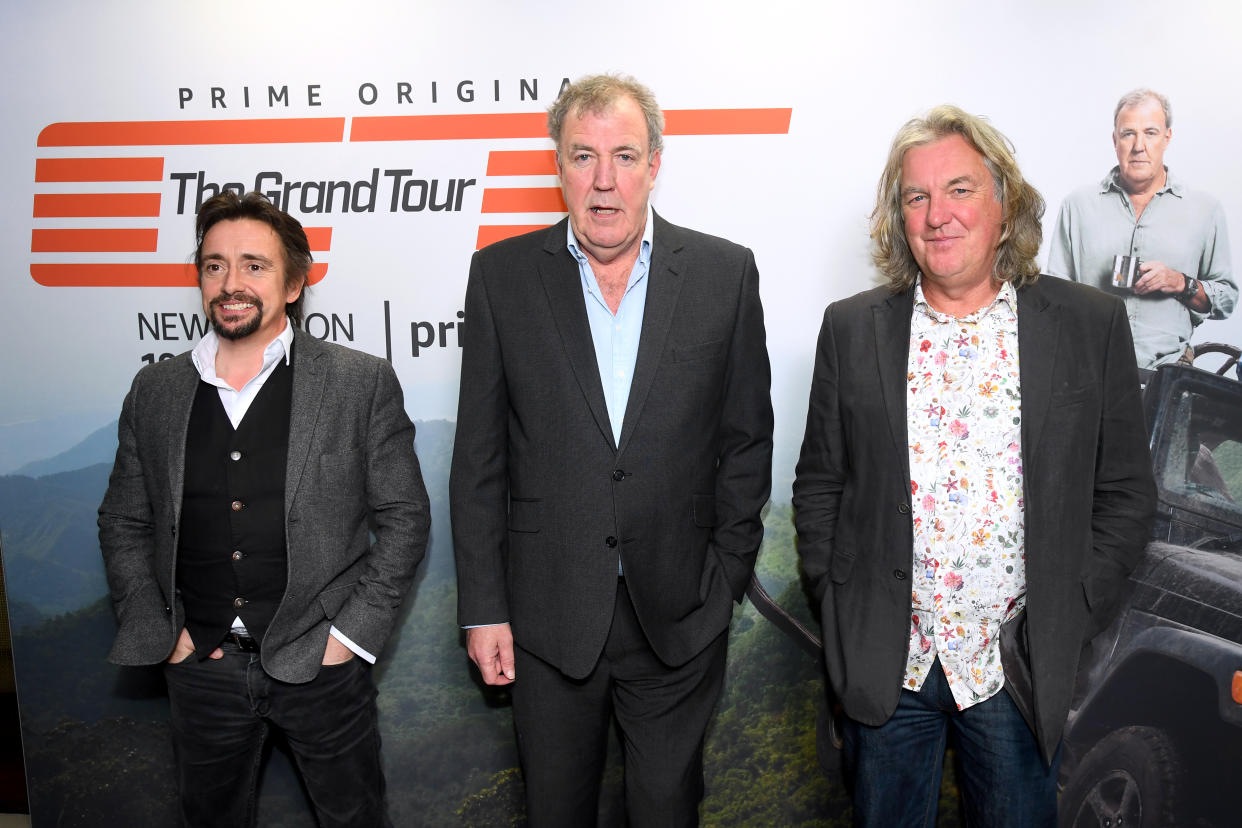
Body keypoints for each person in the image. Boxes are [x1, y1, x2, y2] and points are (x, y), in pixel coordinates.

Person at [792, 105, 1156, 826]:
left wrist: (1070, 612)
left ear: (1004, 202)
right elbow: (820, 485)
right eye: (916, 197)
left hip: (1015, 670)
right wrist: (841, 610)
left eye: (958, 190)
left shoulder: (1088, 325)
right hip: (888, 669)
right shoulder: (850, 328)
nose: (937, 216)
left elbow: (1124, 494)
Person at [450, 73, 773, 827]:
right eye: (582, 157)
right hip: (545, 617)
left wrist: (724, 578)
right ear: (557, 166)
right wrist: (484, 608)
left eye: (624, 156)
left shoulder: (725, 275)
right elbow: (479, 462)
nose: (604, 183)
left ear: (655, 163)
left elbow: (746, 442)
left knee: (667, 813)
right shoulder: (502, 277)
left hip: (681, 615)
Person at [98, 191, 430, 827]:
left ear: (295, 282)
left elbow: (405, 517)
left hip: (323, 668)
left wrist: (349, 637)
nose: (231, 283)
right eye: (215, 265)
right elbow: (123, 521)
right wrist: (163, 632)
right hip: (200, 671)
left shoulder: (358, 383)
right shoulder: (156, 390)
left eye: (255, 265)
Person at [1047, 88, 1237, 369]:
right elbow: (1054, 300)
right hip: (1089, 369)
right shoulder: (1078, 206)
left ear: (1167, 137)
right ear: (1115, 140)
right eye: (1128, 134)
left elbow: (1226, 300)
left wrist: (1179, 282)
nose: (1139, 146)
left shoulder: (1205, 210)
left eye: (1150, 133)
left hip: (1168, 372)